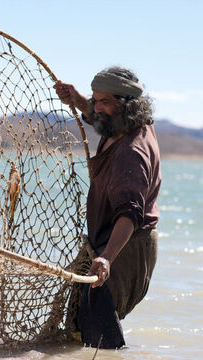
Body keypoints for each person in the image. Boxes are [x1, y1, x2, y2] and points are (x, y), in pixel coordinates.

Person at [54, 66, 161, 349]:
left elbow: (129, 214)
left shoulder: (130, 152)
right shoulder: (126, 124)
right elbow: (98, 117)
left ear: (127, 106)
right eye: (94, 98)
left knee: (100, 334)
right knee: (80, 327)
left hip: (125, 246)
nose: (97, 107)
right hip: (109, 241)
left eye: (104, 102)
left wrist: (107, 258)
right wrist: (78, 99)